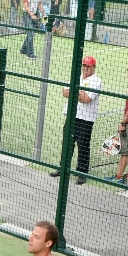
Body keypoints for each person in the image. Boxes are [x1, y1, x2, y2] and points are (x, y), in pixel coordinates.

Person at [54, 55, 100, 183]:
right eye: (84, 65)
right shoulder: (76, 76)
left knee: (83, 146)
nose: (85, 68)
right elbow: (64, 93)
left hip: (86, 119)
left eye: (88, 66)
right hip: (71, 116)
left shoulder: (96, 81)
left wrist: (74, 91)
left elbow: (86, 99)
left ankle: (82, 173)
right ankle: (63, 168)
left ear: (93, 67)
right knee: (67, 144)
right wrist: (79, 92)